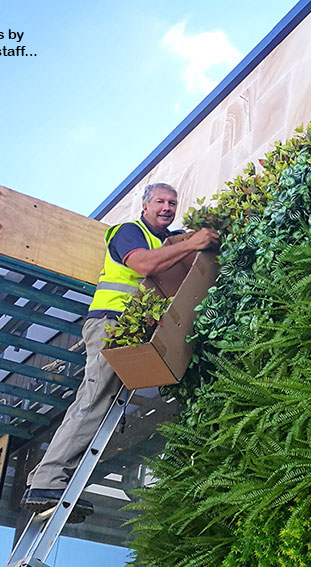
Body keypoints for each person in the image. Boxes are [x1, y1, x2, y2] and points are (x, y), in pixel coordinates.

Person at [22, 182, 219, 521]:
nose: (167, 208)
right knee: (94, 398)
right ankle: (46, 480)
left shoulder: (168, 242)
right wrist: (192, 242)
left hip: (135, 331)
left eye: (173, 203)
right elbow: (143, 265)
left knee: (103, 406)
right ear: (145, 206)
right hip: (111, 323)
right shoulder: (128, 231)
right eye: (160, 201)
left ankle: (59, 482)